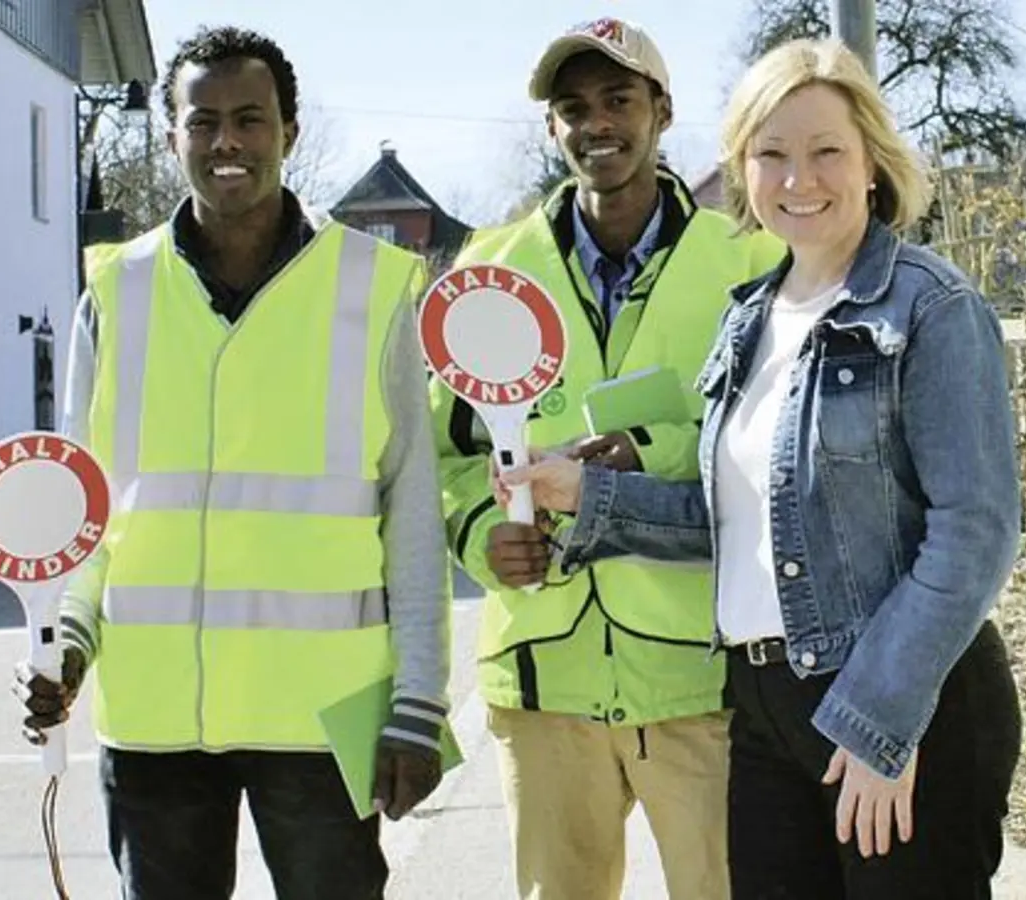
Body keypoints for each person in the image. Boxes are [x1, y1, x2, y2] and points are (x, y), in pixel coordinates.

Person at [499, 36, 1024, 900]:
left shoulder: (930, 306)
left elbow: (976, 533)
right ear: (742, 168)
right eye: (770, 154)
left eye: (826, 152)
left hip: (900, 699)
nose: (798, 178)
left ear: (872, 164)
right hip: (763, 707)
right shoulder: (750, 318)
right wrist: (584, 496)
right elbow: (737, 522)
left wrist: (882, 721)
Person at [13, 25, 450, 900]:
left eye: (249, 119)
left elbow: (412, 510)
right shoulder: (115, 293)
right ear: (172, 134)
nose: (226, 143)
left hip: (324, 718)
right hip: (153, 718)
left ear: (288, 130)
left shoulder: (372, 289)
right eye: (201, 120)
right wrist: (64, 644)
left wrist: (421, 705)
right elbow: (80, 511)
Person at [429, 17, 783, 900]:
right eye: (573, 106)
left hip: (702, 678)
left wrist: (647, 452)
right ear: (553, 127)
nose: (597, 123)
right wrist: (482, 537)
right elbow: (448, 457)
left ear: (661, 112)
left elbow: (784, 443)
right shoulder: (488, 271)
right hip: (546, 684)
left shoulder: (751, 260)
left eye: (619, 100)